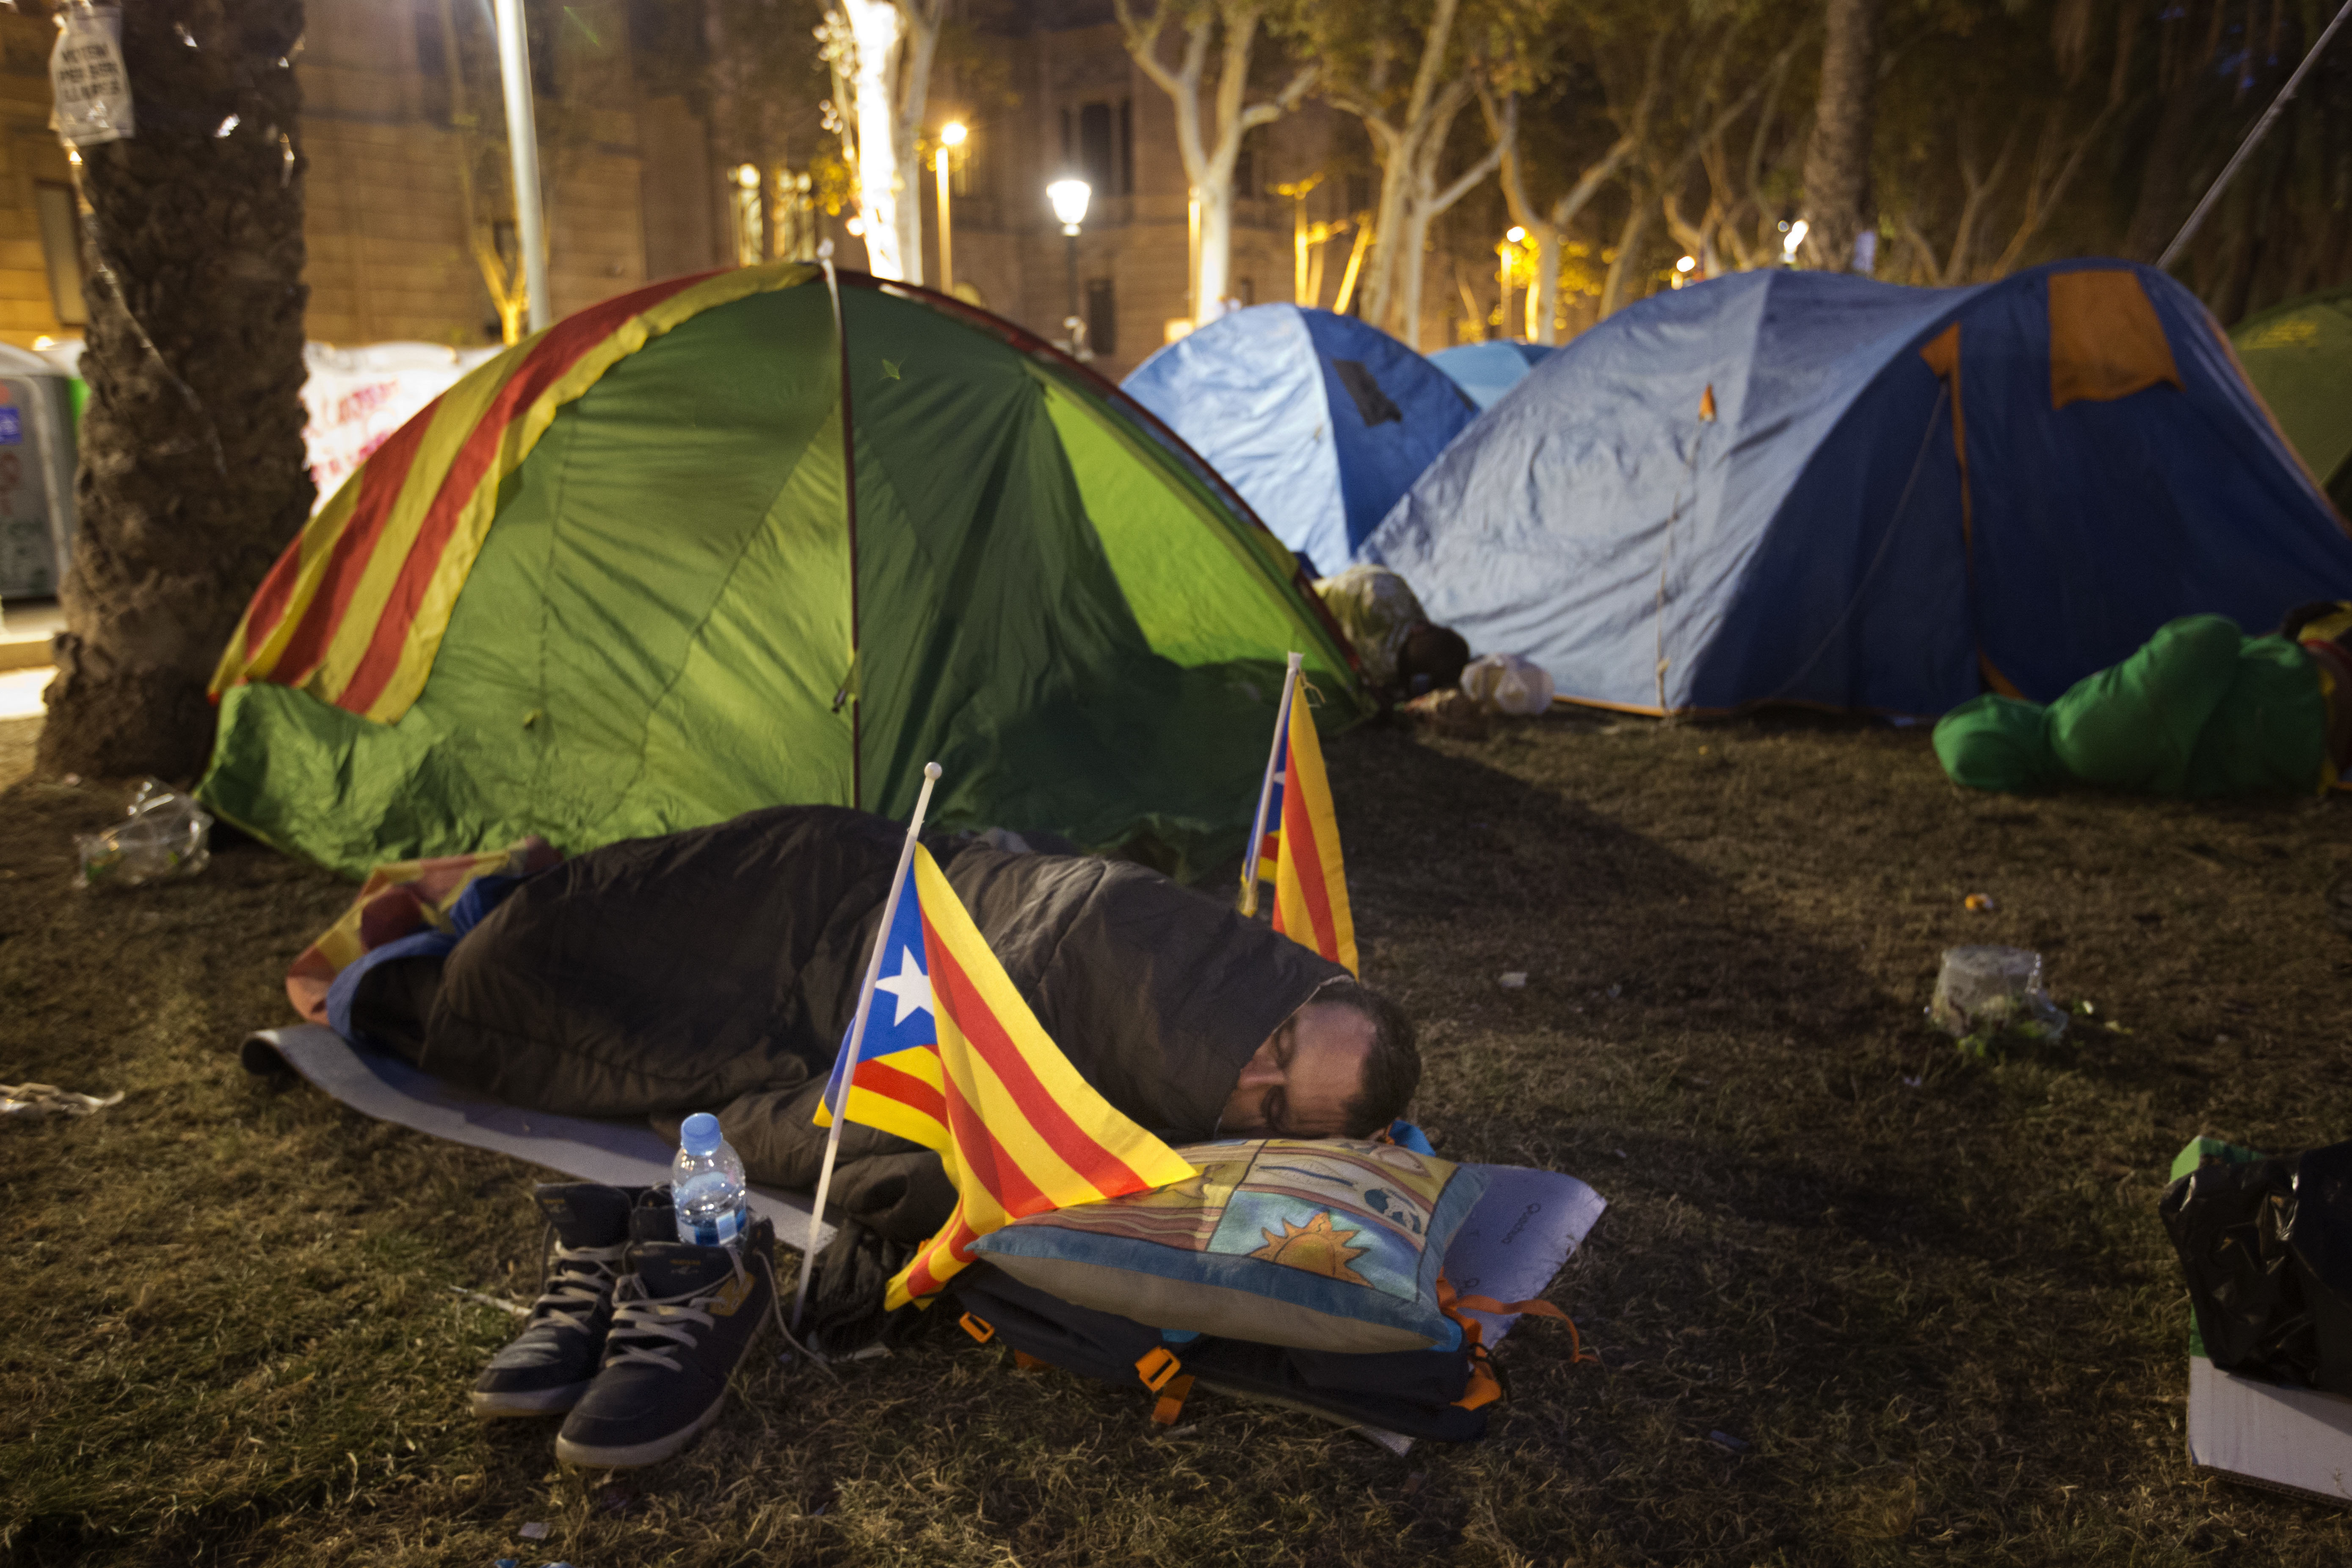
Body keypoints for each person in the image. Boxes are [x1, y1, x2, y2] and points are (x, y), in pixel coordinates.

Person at [346, 804, 1422, 1241]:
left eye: (1275, 1106)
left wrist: (733, 1111)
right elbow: (1056, 923)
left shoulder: (1142, 1125)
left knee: (522, 985)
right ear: (1289, 985)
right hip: (847, 886)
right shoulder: (1143, 939)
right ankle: (503, 906)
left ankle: (496, 914)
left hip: (816, 987)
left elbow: (845, 1122)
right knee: (558, 940)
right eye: (1277, 1041)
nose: (1247, 1072)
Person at [1933, 606, 2352, 798]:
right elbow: (2206, 638)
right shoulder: (2082, 730)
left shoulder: (2081, 762)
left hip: (2305, 750)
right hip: (2310, 699)